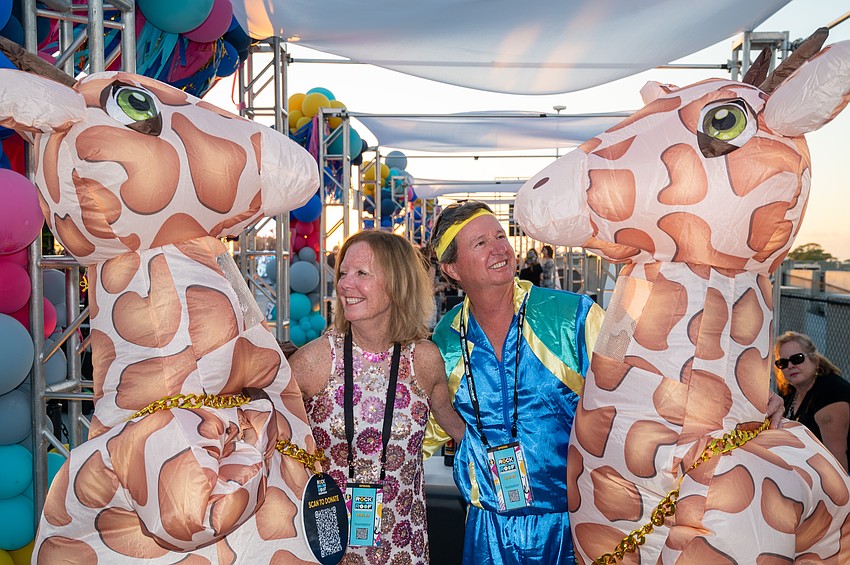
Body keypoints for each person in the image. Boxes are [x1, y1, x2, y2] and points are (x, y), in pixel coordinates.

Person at [422, 201, 604, 564]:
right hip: (488, 530)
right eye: (480, 243)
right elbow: (421, 430)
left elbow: (626, 403)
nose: (500, 248)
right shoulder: (445, 341)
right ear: (452, 268)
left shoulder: (572, 317)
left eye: (500, 236)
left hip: (573, 524)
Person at [289, 230, 465, 565]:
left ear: (396, 283)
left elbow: (456, 427)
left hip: (404, 543)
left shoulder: (424, 360)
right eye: (343, 274)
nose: (344, 285)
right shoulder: (316, 361)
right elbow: (273, 444)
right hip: (330, 548)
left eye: (361, 274)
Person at [776, 331, 850, 472]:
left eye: (797, 359)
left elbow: (837, 459)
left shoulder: (830, 392)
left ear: (815, 361)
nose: (790, 366)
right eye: (783, 363)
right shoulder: (790, 392)